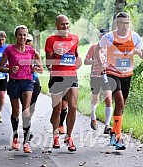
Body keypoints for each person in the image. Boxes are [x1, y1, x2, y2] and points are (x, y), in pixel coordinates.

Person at [95, 12, 143, 150]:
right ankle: (118, 137)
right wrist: (101, 64)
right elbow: (97, 49)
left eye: (127, 23)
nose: (125, 25)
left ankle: (114, 131)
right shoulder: (109, 37)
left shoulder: (134, 36)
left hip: (127, 74)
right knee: (119, 101)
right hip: (112, 73)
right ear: (116, 24)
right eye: (122, 23)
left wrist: (141, 54)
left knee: (122, 105)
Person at [0, 25, 43, 153]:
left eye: (24, 35)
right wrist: (9, 70)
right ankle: (15, 136)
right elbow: (0, 67)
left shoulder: (32, 51)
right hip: (13, 82)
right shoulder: (9, 50)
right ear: (15, 36)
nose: (22, 37)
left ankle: (26, 142)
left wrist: (35, 68)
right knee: (15, 111)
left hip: (28, 82)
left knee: (26, 111)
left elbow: (41, 69)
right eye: (20, 34)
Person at [45, 14, 82, 152]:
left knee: (72, 107)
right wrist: (55, 54)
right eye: (62, 24)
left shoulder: (75, 38)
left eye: (67, 24)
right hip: (57, 77)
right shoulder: (51, 40)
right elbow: (48, 62)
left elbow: (76, 55)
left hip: (72, 76)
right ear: (56, 25)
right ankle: (55, 135)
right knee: (57, 109)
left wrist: (79, 60)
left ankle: (69, 136)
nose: (65, 26)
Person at [84, 28, 113, 134]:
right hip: (95, 76)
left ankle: (107, 125)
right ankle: (93, 117)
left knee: (108, 99)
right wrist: (97, 61)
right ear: (99, 37)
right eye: (102, 36)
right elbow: (86, 61)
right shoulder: (93, 47)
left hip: (108, 75)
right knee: (95, 98)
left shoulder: (111, 48)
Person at [20, 34, 43, 141]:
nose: (28, 42)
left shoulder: (35, 53)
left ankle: (28, 124)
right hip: (23, 82)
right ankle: (27, 130)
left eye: (30, 41)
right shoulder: (18, 53)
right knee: (25, 107)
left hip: (34, 82)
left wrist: (34, 68)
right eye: (26, 41)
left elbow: (42, 70)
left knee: (31, 107)